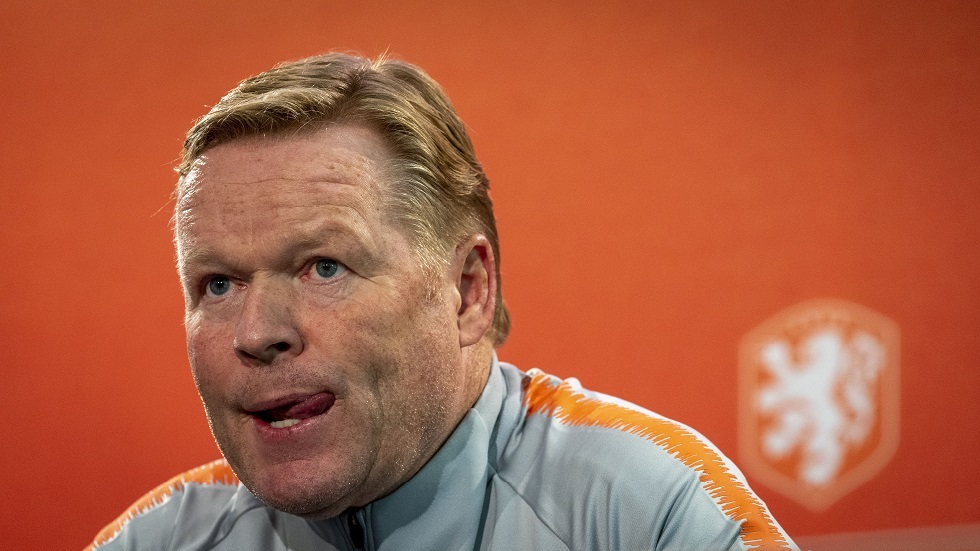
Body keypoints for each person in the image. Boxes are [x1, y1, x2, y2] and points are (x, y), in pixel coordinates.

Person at [87, 53, 797, 551]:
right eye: (218, 283)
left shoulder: (647, 514)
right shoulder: (155, 541)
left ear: (467, 292)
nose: (257, 332)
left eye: (323, 268)